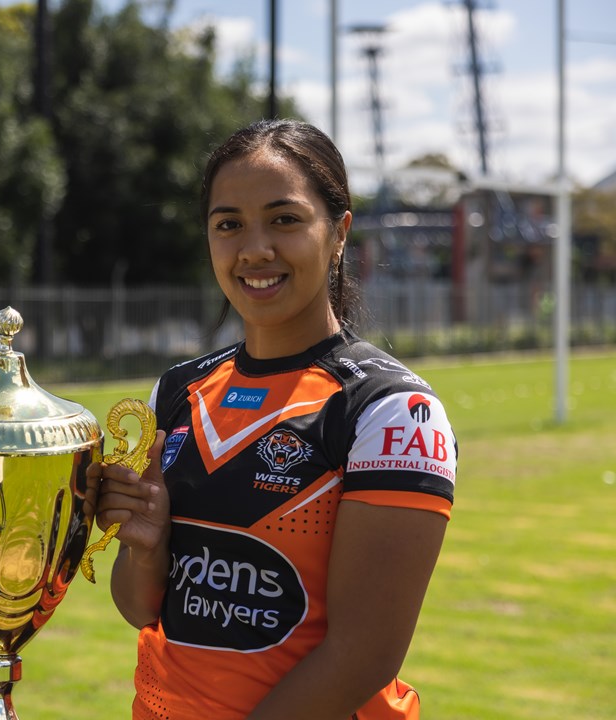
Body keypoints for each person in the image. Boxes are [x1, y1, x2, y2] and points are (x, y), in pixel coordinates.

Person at [88, 119, 456, 720]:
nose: (254, 249)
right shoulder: (177, 392)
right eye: (229, 224)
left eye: (284, 219)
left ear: (338, 233)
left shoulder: (393, 411)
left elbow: (363, 656)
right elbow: (138, 607)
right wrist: (148, 546)